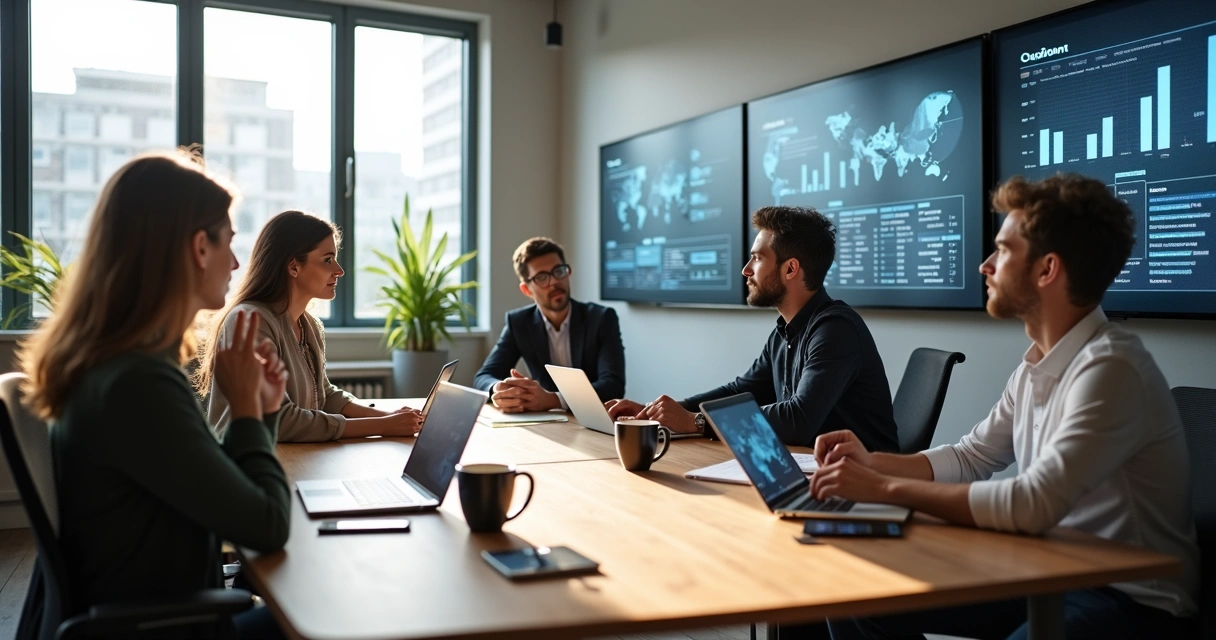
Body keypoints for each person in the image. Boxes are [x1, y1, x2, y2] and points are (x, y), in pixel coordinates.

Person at [815, 174, 1198, 639]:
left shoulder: (1110, 370)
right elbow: (972, 457)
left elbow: (1031, 503)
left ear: (1046, 269)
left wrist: (883, 488)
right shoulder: (1037, 364)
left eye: (1002, 250)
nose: (985, 265)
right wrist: (874, 464)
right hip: (1043, 565)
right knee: (853, 589)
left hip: (1126, 599)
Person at [19, 150, 290, 639]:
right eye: (227, 243)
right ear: (198, 249)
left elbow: (215, 485)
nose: (234, 263)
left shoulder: (112, 365)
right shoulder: (137, 385)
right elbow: (266, 525)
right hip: (167, 626)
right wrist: (248, 411)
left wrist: (264, 411)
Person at [607, 206, 898, 451]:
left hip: (865, 484)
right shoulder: (785, 331)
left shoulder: (835, 330)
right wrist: (660, 412)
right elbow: (743, 390)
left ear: (790, 269)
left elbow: (797, 419)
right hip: (816, 470)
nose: (746, 269)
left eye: (757, 258)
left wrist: (696, 421)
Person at [198, 211, 422, 441]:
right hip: (246, 462)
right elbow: (281, 420)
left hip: (292, 455)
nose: (339, 270)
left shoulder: (309, 325)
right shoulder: (251, 320)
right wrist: (382, 426)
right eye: (327, 260)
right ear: (294, 267)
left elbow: (323, 395)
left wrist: (388, 416)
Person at [474, 237, 625, 413]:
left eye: (559, 271)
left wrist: (554, 400)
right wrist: (499, 389)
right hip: (546, 423)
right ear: (526, 290)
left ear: (568, 272)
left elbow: (613, 385)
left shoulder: (601, 318)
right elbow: (483, 377)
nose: (554, 282)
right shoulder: (519, 323)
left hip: (594, 420)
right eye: (542, 277)